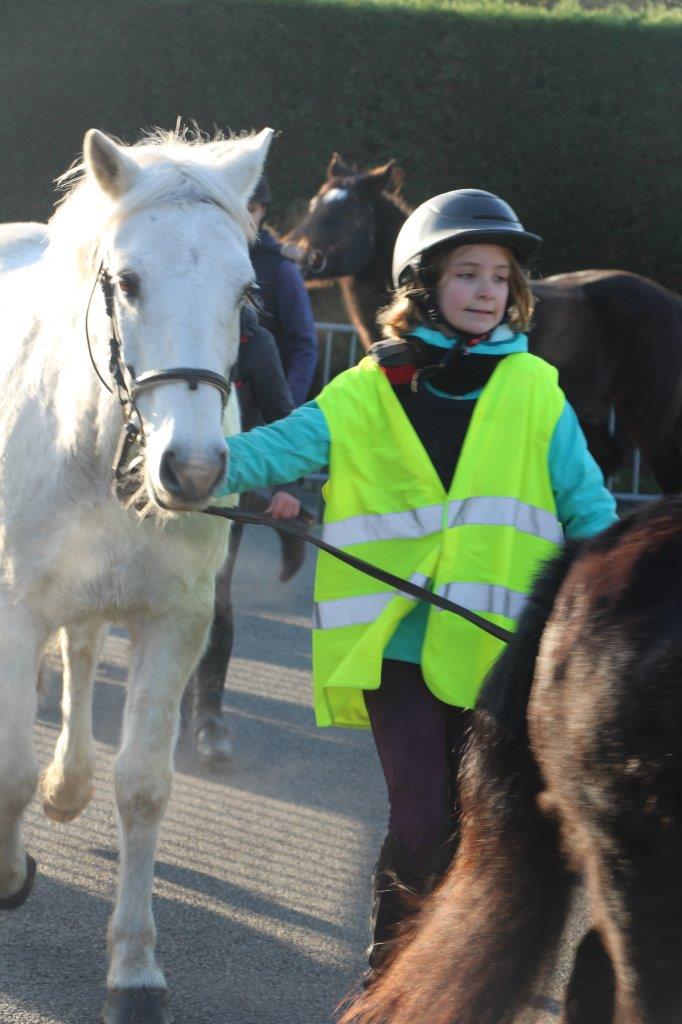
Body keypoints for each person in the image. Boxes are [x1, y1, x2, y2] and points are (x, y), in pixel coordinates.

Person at [214, 189, 618, 978]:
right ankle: (390, 969)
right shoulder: (366, 388)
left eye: (499, 278)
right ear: (423, 285)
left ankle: (453, 961)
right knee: (420, 812)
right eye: (467, 274)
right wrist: (203, 462)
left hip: (498, 659)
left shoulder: (536, 389)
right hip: (393, 643)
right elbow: (285, 445)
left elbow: (589, 507)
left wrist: (617, 592)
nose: (486, 291)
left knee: (478, 827)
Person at [183, 304, 310, 764]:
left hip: (226, 490)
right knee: (156, 599)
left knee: (212, 597)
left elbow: (282, 415)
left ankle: (208, 715)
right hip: (156, 486)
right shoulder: (166, 323)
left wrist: (288, 490)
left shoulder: (254, 343)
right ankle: (164, 707)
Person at [248, 175, 318, 406]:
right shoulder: (207, 260)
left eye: (250, 209)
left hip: (262, 413)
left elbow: (304, 345)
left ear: (262, 211)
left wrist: (286, 410)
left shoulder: (281, 269)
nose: (242, 217)